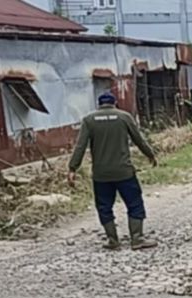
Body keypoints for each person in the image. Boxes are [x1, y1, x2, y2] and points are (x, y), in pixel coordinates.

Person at [68, 92, 158, 251]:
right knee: (134, 203)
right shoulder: (124, 117)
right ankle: (137, 238)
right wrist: (150, 154)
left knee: (104, 206)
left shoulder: (89, 120)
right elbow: (139, 139)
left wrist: (72, 168)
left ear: (99, 105)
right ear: (115, 103)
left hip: (101, 175)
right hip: (124, 172)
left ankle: (112, 240)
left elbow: (80, 146)